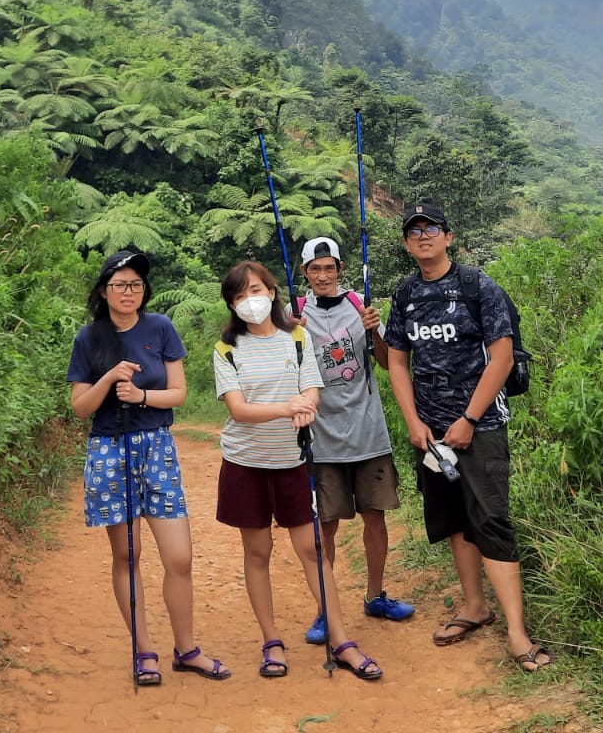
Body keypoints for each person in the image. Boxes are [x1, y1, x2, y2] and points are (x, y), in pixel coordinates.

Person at [383, 204, 555, 673]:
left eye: (431, 229)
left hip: (480, 427)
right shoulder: (405, 295)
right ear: (405, 243)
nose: (422, 237)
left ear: (448, 236)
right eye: (413, 231)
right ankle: (474, 606)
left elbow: (501, 359)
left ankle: (518, 634)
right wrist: (414, 423)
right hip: (431, 432)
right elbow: (398, 361)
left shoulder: (478, 286)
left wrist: (469, 419)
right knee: (456, 519)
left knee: (492, 520)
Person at [212, 260, 384, 681]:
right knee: (258, 553)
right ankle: (271, 641)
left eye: (255, 290)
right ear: (231, 305)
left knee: (312, 551)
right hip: (244, 463)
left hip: (292, 462)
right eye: (238, 296)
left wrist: (304, 405)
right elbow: (239, 409)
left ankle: (341, 640)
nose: (248, 301)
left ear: (271, 293)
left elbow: (312, 389)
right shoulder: (226, 349)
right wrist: (289, 407)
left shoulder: (298, 337)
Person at [67, 248, 232, 686]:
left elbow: (177, 393)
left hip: (156, 446)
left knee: (179, 557)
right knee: (128, 554)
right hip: (109, 448)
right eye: (120, 284)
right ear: (104, 290)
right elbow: (81, 408)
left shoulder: (160, 328)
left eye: (136, 284)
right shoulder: (89, 338)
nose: (129, 292)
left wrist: (140, 396)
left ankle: (187, 649)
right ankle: (144, 651)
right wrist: (109, 379)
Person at [294, 236, 415, 645]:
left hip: (368, 432)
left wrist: (374, 331)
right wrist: (289, 337)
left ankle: (375, 595)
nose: (324, 275)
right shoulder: (294, 313)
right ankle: (325, 610)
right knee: (324, 527)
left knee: (375, 517)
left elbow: (386, 362)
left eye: (330, 268)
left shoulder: (362, 306)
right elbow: (284, 369)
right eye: (316, 269)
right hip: (320, 437)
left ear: (340, 269)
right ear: (306, 273)